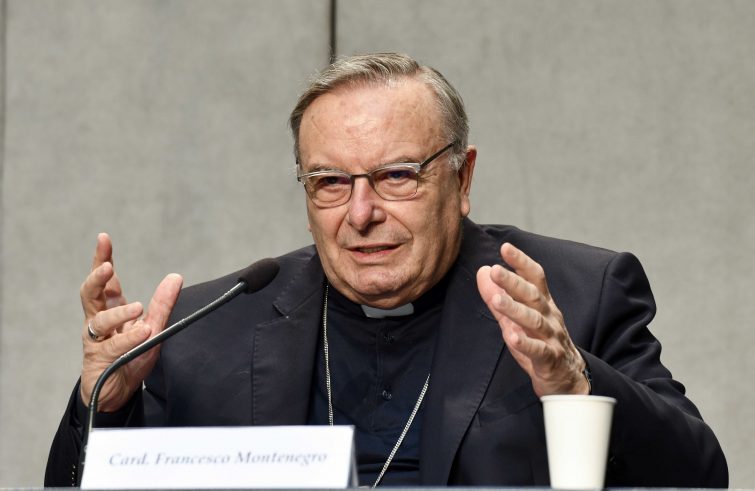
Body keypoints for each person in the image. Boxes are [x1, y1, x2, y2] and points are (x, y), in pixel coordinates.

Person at [45, 52, 728, 487]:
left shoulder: (576, 297)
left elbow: (700, 476)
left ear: (462, 178)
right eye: (329, 182)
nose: (361, 213)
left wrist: (574, 382)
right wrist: (107, 404)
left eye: (397, 175)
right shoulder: (208, 327)